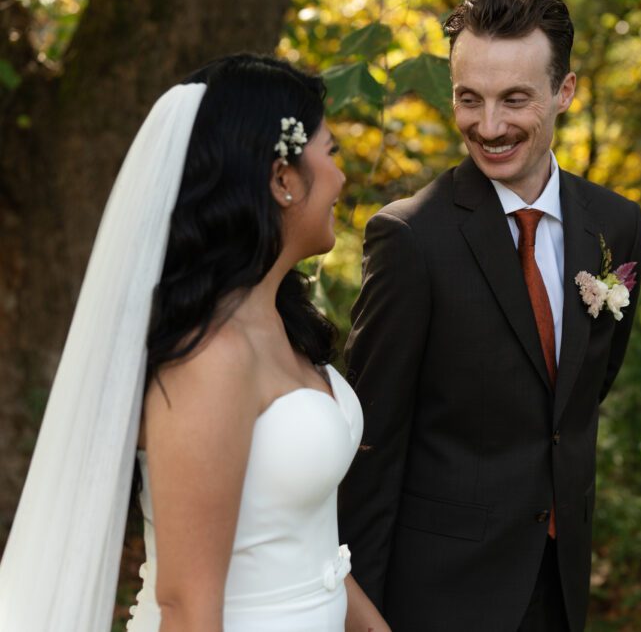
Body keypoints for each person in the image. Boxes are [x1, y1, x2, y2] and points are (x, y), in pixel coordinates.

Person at [0, 54, 388, 632]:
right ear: (282, 179)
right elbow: (186, 606)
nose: (340, 176)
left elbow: (308, 549)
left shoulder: (286, 322)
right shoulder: (210, 358)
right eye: (330, 152)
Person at [338, 0, 641, 631]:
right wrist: (358, 614)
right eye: (468, 98)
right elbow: (369, 446)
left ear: (564, 93)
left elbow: (581, 395)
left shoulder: (616, 225)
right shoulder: (411, 239)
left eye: (515, 99)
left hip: (559, 587)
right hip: (437, 596)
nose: (489, 125)